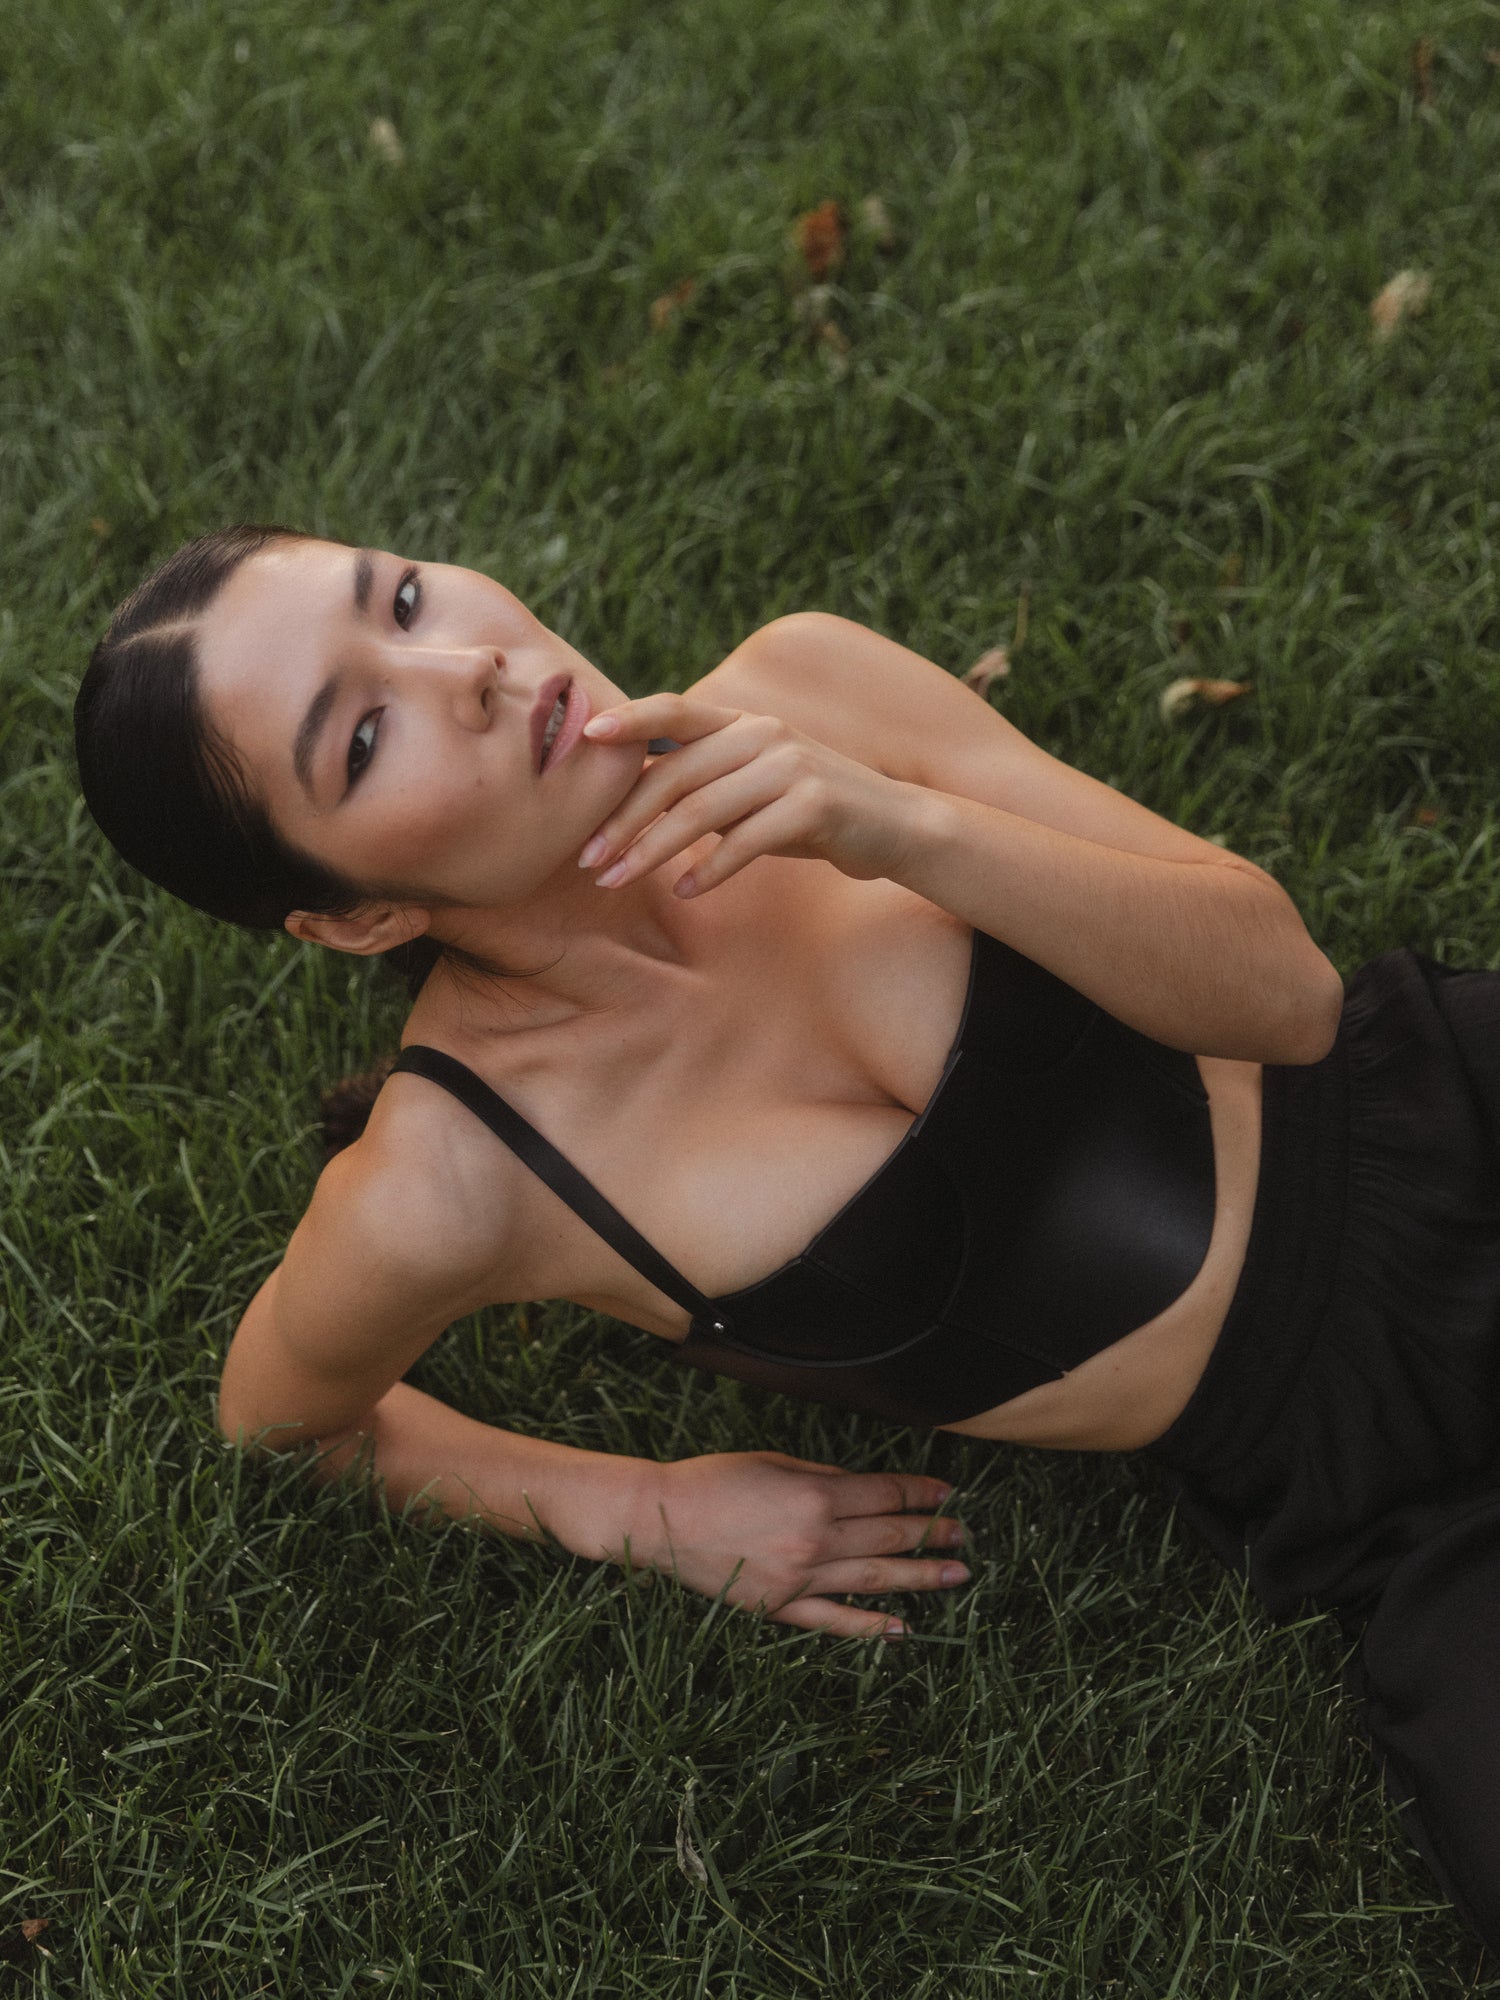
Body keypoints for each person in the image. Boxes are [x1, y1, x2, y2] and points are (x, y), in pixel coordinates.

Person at [74, 524, 1500, 1950]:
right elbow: (280, 1423)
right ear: (358, 917)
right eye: (364, 735)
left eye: (400, 596)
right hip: (1371, 1485)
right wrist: (639, 1508)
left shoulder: (805, 687)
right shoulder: (459, 1178)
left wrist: (899, 825)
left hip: (1447, 1100)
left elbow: (1287, 998)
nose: (469, 667)